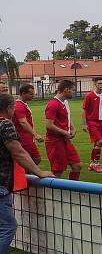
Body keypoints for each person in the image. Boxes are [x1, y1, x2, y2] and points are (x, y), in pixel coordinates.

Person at [0, 94, 54, 252]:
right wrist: (39, 172)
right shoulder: (5, 125)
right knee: (8, 227)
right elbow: (19, 153)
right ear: (10, 108)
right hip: (1, 185)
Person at [44, 80, 82, 180]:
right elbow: (49, 125)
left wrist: (73, 128)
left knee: (77, 166)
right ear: (66, 90)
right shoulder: (53, 104)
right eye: (73, 90)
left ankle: (73, 190)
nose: (74, 92)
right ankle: (51, 193)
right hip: (55, 142)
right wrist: (65, 132)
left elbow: (66, 118)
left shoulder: (64, 102)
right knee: (58, 171)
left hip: (65, 140)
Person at [12, 84, 44, 165]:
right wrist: (35, 135)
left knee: (29, 160)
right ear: (23, 93)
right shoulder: (19, 105)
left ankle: (25, 174)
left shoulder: (22, 104)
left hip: (26, 137)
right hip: (23, 138)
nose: (33, 96)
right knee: (36, 159)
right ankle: (24, 175)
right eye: (31, 94)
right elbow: (23, 122)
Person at [83, 77, 102, 173]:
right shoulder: (89, 95)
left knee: (98, 143)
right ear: (95, 84)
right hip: (92, 121)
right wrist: (84, 124)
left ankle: (92, 163)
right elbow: (84, 110)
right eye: (99, 83)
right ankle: (96, 164)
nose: (101, 85)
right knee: (99, 142)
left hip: (101, 122)